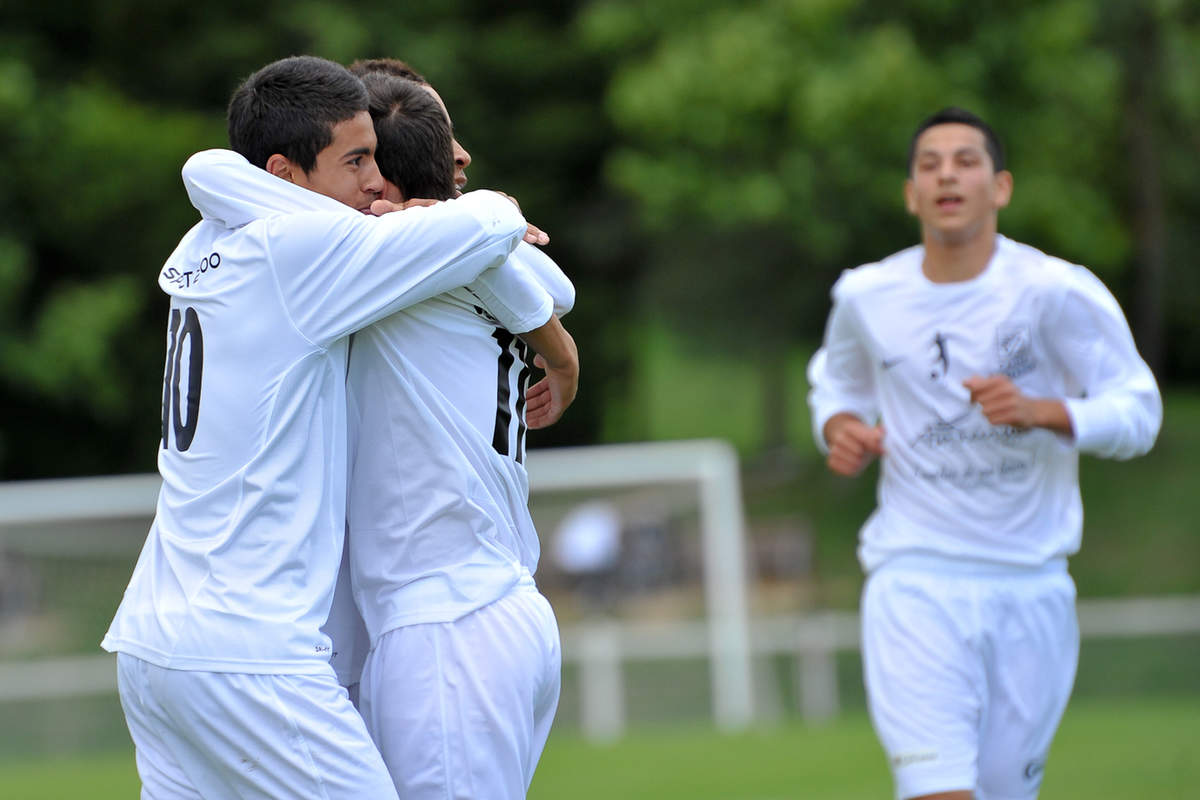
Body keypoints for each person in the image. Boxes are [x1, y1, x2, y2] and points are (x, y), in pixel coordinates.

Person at [101, 55, 537, 799]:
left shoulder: (199, 246)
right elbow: (491, 224)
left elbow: (208, 169)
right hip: (249, 654)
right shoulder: (304, 254)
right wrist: (462, 207)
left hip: (150, 646)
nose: (376, 181)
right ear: (285, 173)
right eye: (357, 159)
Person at [806, 107, 1162, 800]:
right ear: (911, 194)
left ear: (1000, 188)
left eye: (965, 161)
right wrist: (840, 427)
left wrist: (1045, 411)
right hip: (914, 580)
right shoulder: (866, 295)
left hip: (1030, 585)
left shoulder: (1056, 291)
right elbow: (835, 383)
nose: (947, 174)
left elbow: (1140, 411)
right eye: (930, 163)